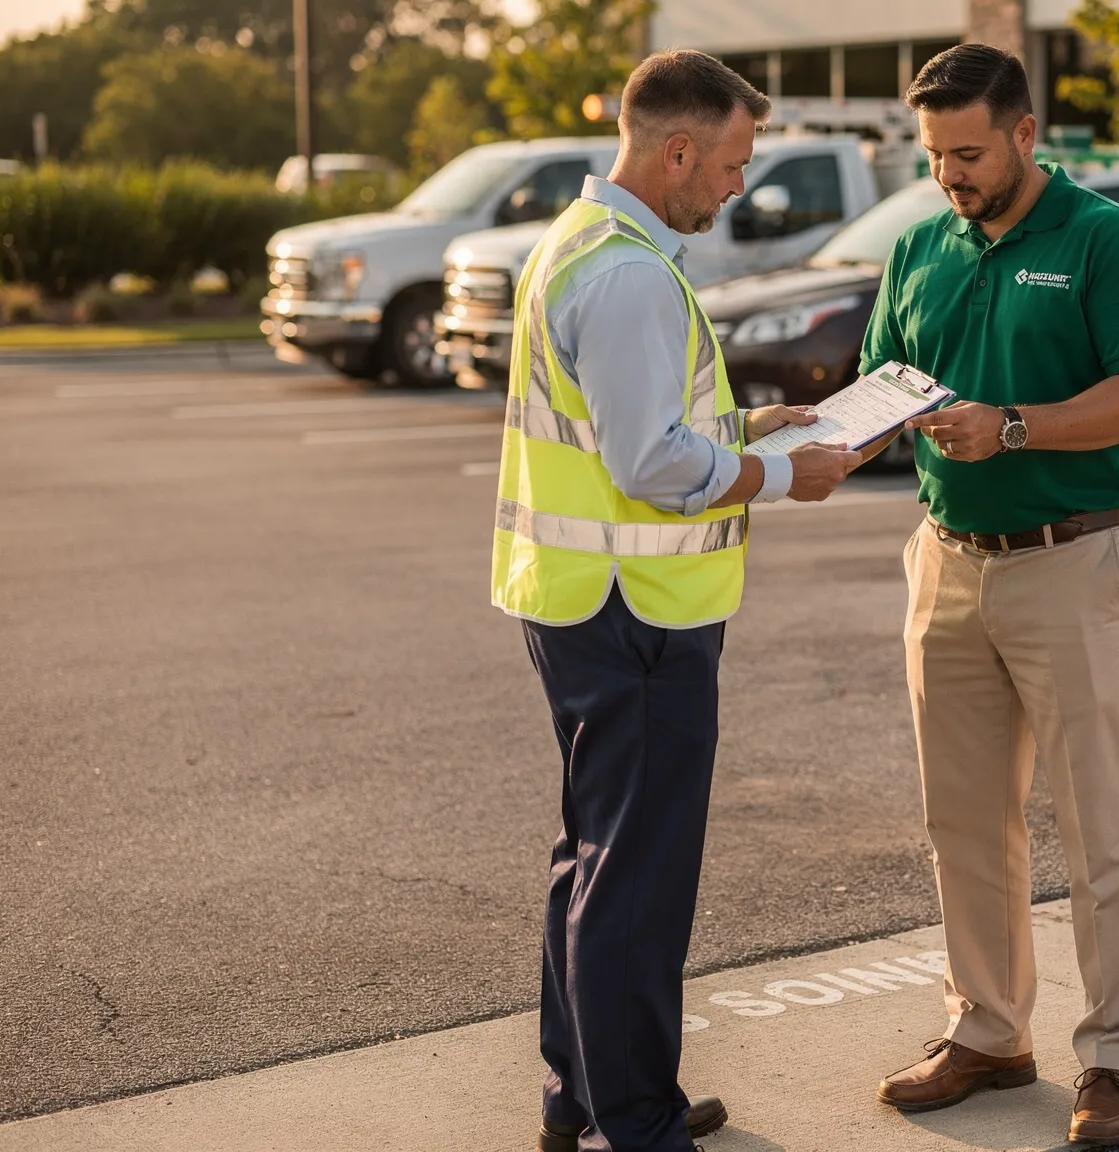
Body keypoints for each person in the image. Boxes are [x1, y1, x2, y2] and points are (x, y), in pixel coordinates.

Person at [490, 51, 862, 1152]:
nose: (739, 186)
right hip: (635, 609)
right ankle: (635, 1122)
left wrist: (751, 428)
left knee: (593, 858)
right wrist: (789, 475)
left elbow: (636, 421)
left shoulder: (587, 243)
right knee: (634, 878)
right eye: (733, 163)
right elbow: (648, 463)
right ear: (677, 150)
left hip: (580, 598)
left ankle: (588, 1096)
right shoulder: (630, 275)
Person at [864, 43, 1119, 1148]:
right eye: (934, 156)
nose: (949, 174)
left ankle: (1115, 1063)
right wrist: (816, 441)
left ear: (1024, 134)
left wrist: (1013, 425)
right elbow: (883, 381)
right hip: (945, 560)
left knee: (1100, 826)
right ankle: (988, 1032)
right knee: (962, 820)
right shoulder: (917, 246)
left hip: (1071, 560)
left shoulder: (1106, 241)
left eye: (967, 152)